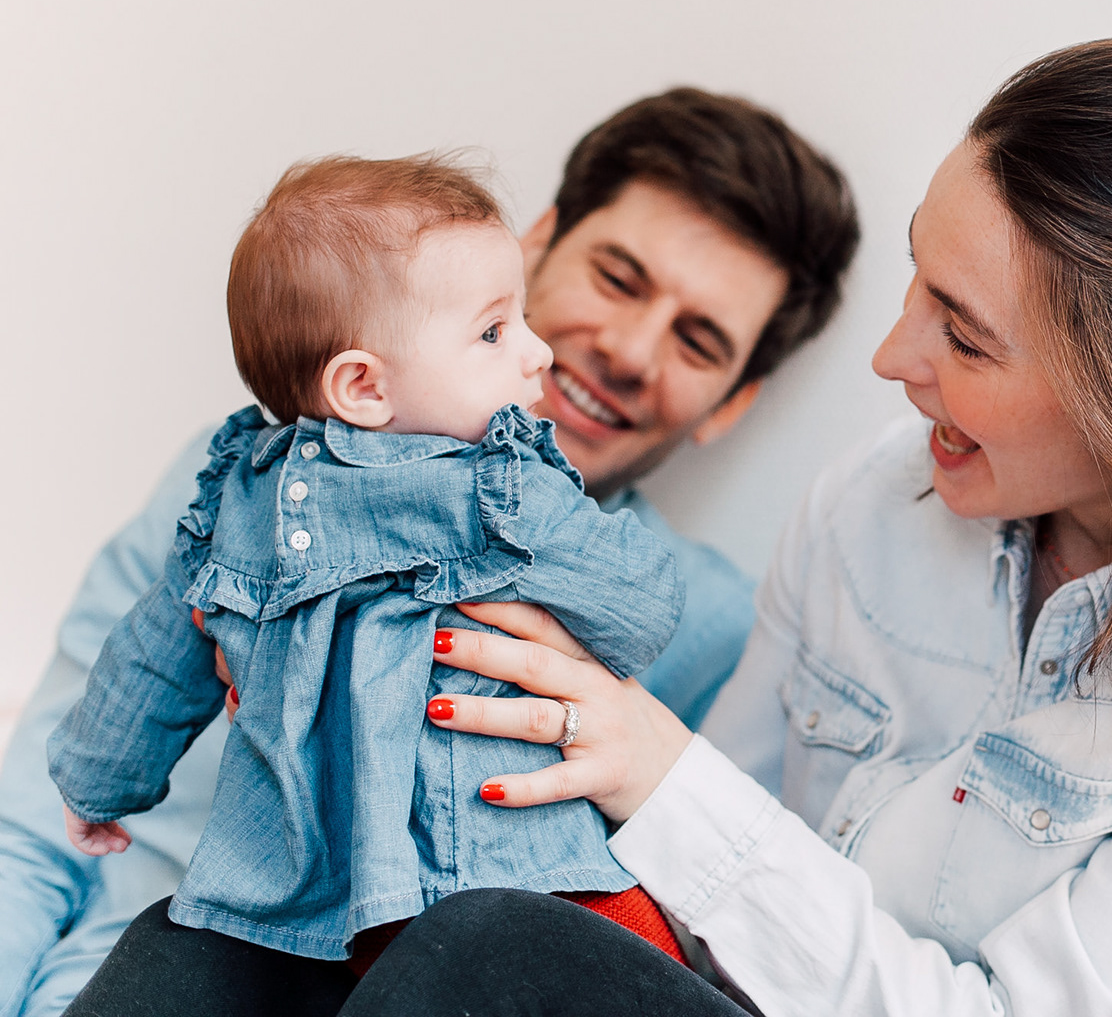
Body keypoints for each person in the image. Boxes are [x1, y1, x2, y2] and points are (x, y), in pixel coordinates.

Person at [73, 36, 1112, 1017]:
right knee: (203, 946)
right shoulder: (877, 502)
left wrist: (654, 774)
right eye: (918, 287)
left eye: (961, 336)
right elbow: (678, 907)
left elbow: (695, 817)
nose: (892, 360)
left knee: (489, 956)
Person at [0, 89, 861, 1016]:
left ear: (730, 401)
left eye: (698, 341)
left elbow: (691, 918)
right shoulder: (240, 485)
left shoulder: (721, 627)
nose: (626, 350)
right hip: (197, 940)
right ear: (537, 243)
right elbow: (49, 801)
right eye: (618, 277)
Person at [52, 156, 685, 960]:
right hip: (497, 862)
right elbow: (641, 609)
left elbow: (152, 659)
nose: (538, 354)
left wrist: (97, 782)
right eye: (493, 332)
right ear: (363, 385)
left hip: (300, 883)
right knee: (647, 953)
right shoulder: (496, 490)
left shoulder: (235, 499)